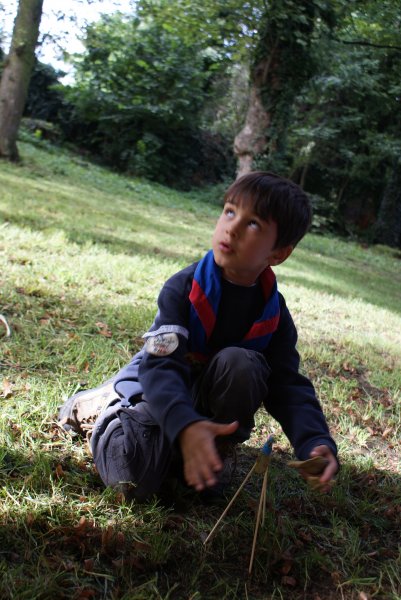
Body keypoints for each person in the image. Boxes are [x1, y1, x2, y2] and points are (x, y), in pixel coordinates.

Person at [59, 171, 338, 502]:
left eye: (253, 224)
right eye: (230, 212)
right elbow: (160, 366)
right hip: (159, 393)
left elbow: (287, 384)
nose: (232, 228)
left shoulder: (273, 312)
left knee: (242, 363)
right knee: (132, 482)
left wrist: (314, 440)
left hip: (207, 407)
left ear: (278, 254)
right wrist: (184, 425)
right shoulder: (184, 288)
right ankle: (101, 405)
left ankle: (215, 449)